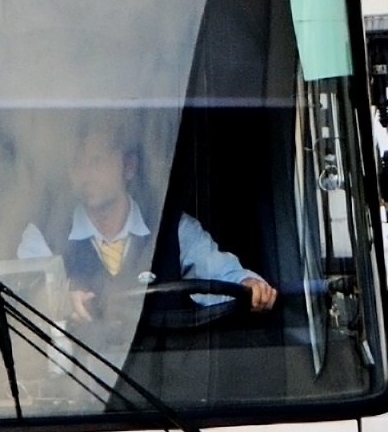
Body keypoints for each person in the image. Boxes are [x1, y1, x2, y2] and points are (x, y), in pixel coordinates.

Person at [17, 124, 278, 324]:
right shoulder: (43, 237)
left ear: (128, 167)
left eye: (96, 161)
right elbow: (22, 302)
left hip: (169, 382)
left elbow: (227, 278)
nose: (85, 175)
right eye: (76, 164)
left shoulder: (174, 229)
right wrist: (58, 302)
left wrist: (251, 286)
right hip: (82, 388)